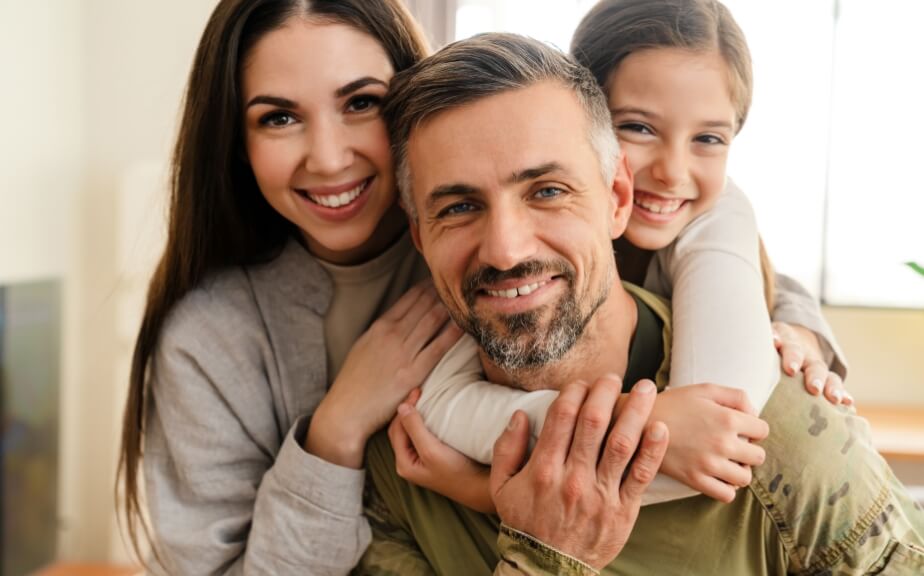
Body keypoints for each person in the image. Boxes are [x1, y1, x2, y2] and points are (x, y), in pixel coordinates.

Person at [358, 32, 924, 574]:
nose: (505, 250)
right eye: (458, 207)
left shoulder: (781, 436)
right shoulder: (405, 457)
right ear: (419, 235)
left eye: (548, 192)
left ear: (619, 198)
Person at [391, 0, 849, 509]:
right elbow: (440, 405)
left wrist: (487, 493)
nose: (673, 172)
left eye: (709, 138)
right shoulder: (499, 261)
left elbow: (713, 438)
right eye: (640, 128)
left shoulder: (714, 216)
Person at [115, 1, 463, 573]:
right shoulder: (206, 339)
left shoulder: (500, 252)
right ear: (236, 142)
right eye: (279, 117)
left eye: (361, 103)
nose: (328, 160)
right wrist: (336, 431)